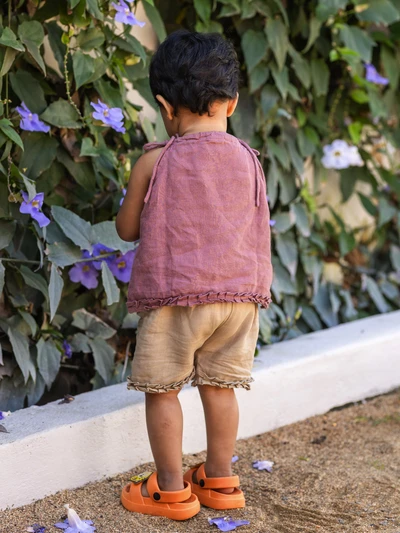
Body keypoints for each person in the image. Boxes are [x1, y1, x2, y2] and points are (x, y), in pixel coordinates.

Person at [116, 29, 273, 521]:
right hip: (239, 299)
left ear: (165, 107)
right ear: (233, 102)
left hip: (175, 298)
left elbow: (126, 230)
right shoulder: (249, 160)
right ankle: (221, 479)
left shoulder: (155, 160)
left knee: (163, 391)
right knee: (220, 387)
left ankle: (169, 490)